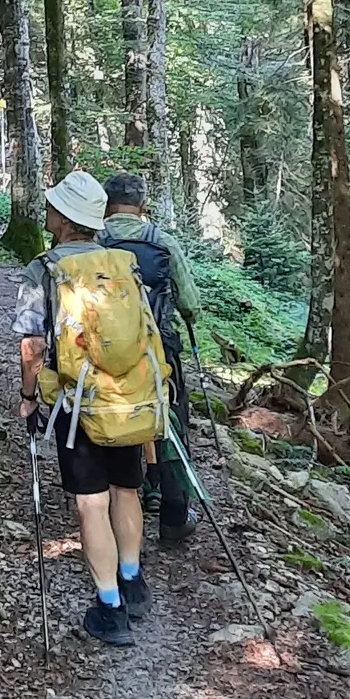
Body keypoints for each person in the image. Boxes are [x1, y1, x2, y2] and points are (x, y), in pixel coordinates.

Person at [17, 168, 167, 649]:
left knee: (90, 501)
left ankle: (109, 609)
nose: (46, 211)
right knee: (128, 490)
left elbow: (33, 346)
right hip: (128, 399)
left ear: (62, 218)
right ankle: (133, 580)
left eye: (51, 207)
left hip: (75, 402)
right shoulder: (122, 264)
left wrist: (27, 398)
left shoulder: (46, 268)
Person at [101, 174, 202, 545]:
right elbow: (191, 304)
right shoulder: (163, 242)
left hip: (106, 351)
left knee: (109, 423)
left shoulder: (95, 240)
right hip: (158, 349)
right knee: (170, 419)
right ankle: (174, 513)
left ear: (106, 204)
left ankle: (118, 515)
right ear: (143, 205)